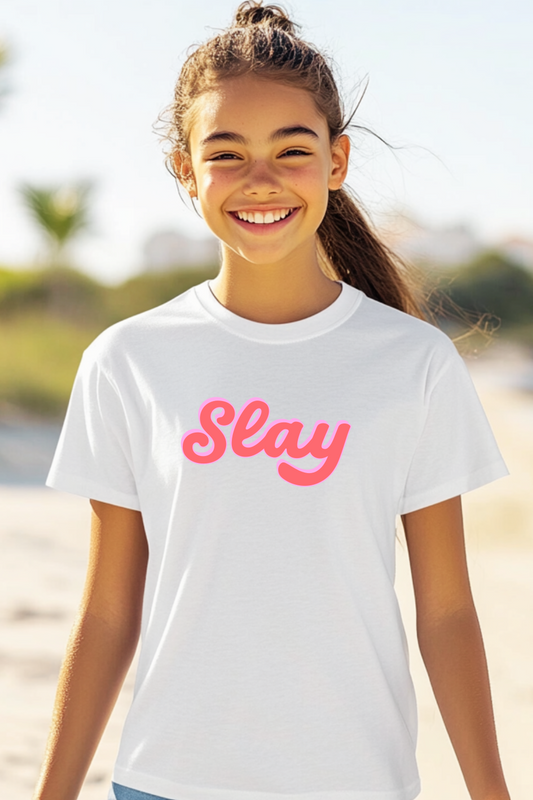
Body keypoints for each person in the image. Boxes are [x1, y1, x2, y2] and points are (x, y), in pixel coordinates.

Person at [33, 3, 512, 800]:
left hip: (359, 782)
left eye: (292, 149)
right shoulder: (128, 360)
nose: (261, 179)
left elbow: (447, 613)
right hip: (165, 780)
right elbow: (109, 613)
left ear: (336, 160)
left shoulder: (412, 364)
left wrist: (490, 792)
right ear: (185, 170)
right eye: (226, 152)